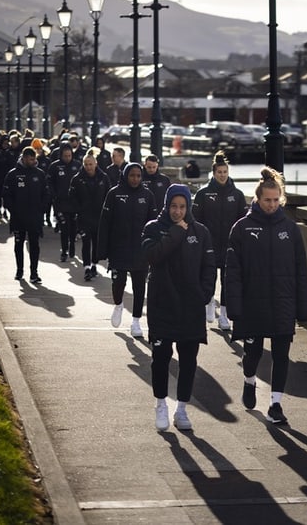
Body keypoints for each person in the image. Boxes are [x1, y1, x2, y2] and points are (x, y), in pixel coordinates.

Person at [226, 167, 307, 425]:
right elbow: (233, 272)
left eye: (276, 200)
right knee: (252, 354)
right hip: (253, 304)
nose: (272, 205)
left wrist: (303, 308)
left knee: (281, 355)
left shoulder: (291, 229)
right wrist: (234, 307)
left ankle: (276, 404)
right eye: (267, 200)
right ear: (257, 200)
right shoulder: (242, 228)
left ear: (281, 199)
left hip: (283, 303)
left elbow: (300, 270)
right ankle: (249, 380)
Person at [142, 184, 217, 431]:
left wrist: (204, 295)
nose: (178, 211)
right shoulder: (153, 228)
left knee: (188, 361)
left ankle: (182, 409)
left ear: (188, 207)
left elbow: (209, 267)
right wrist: (175, 232)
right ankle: (161, 404)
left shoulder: (201, 232)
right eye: (173, 206)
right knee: (160, 360)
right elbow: (153, 257)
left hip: (190, 308)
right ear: (166, 206)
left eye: (182, 207)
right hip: (162, 305)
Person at [98, 162, 156, 337]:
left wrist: (153, 250)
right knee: (118, 283)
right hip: (119, 249)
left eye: (138, 175)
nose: (135, 179)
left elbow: (153, 224)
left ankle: (136, 322)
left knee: (139, 288)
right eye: (132, 175)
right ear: (125, 175)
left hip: (140, 251)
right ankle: (118, 305)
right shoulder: (114, 193)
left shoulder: (147, 195)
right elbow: (105, 223)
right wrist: (102, 251)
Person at [193, 150, 246, 331]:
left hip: (230, 246)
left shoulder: (237, 195)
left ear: (228, 172)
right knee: (209, 277)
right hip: (209, 245)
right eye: (219, 172)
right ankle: (208, 304)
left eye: (225, 172)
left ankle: (223, 315)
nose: (222, 175)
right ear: (214, 173)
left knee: (227, 281)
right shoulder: (203, 194)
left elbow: (242, 221)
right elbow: (196, 220)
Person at [2, 146, 51, 284]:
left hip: (35, 217)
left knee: (34, 245)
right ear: (23, 158)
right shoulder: (13, 174)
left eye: (34, 158)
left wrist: (42, 208)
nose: (33, 161)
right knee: (18, 244)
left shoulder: (39, 174)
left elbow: (46, 193)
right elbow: (6, 194)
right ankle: (19, 270)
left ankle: (34, 272)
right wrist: (13, 209)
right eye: (31, 159)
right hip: (18, 218)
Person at [70, 150, 111, 281]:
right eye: (86, 164)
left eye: (90, 164)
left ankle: (94, 264)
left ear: (95, 164)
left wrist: (107, 213)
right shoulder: (77, 179)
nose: (88, 167)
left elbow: (108, 196)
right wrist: (79, 209)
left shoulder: (103, 178)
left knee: (96, 243)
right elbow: (72, 197)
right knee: (86, 242)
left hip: (99, 217)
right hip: (84, 217)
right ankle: (87, 267)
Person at [47, 143, 81, 261]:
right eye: (65, 156)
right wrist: (54, 195)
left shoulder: (77, 165)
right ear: (61, 155)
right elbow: (49, 182)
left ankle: (72, 245)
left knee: (73, 228)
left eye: (69, 155)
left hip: (74, 203)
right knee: (64, 227)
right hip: (61, 203)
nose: (68, 158)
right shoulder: (54, 166)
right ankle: (64, 250)